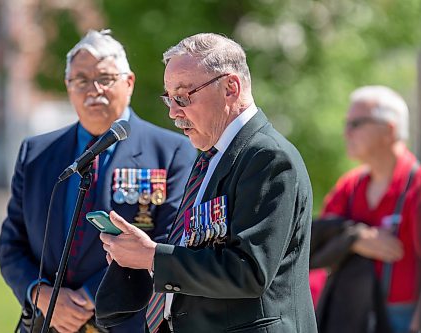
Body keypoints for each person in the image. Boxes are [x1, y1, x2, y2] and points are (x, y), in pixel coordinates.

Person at [97, 33, 317, 333]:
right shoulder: (210, 156)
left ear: (230, 88)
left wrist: (152, 256)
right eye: (169, 98)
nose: (173, 112)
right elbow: (202, 249)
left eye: (183, 96)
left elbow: (249, 271)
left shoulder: (268, 157)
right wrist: (143, 253)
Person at [0, 29, 197, 333]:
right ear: (68, 86)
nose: (94, 90)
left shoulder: (172, 151)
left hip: (128, 322)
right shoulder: (36, 153)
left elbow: (168, 240)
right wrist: (41, 294)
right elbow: (11, 244)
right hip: (47, 322)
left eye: (105, 78)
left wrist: (87, 297)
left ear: (129, 83)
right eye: (81, 80)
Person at [310, 86, 421, 333]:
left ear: (389, 129)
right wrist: (355, 237)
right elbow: (313, 240)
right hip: (350, 315)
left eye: (356, 124)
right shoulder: (349, 186)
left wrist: (418, 328)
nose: (346, 132)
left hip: (404, 319)